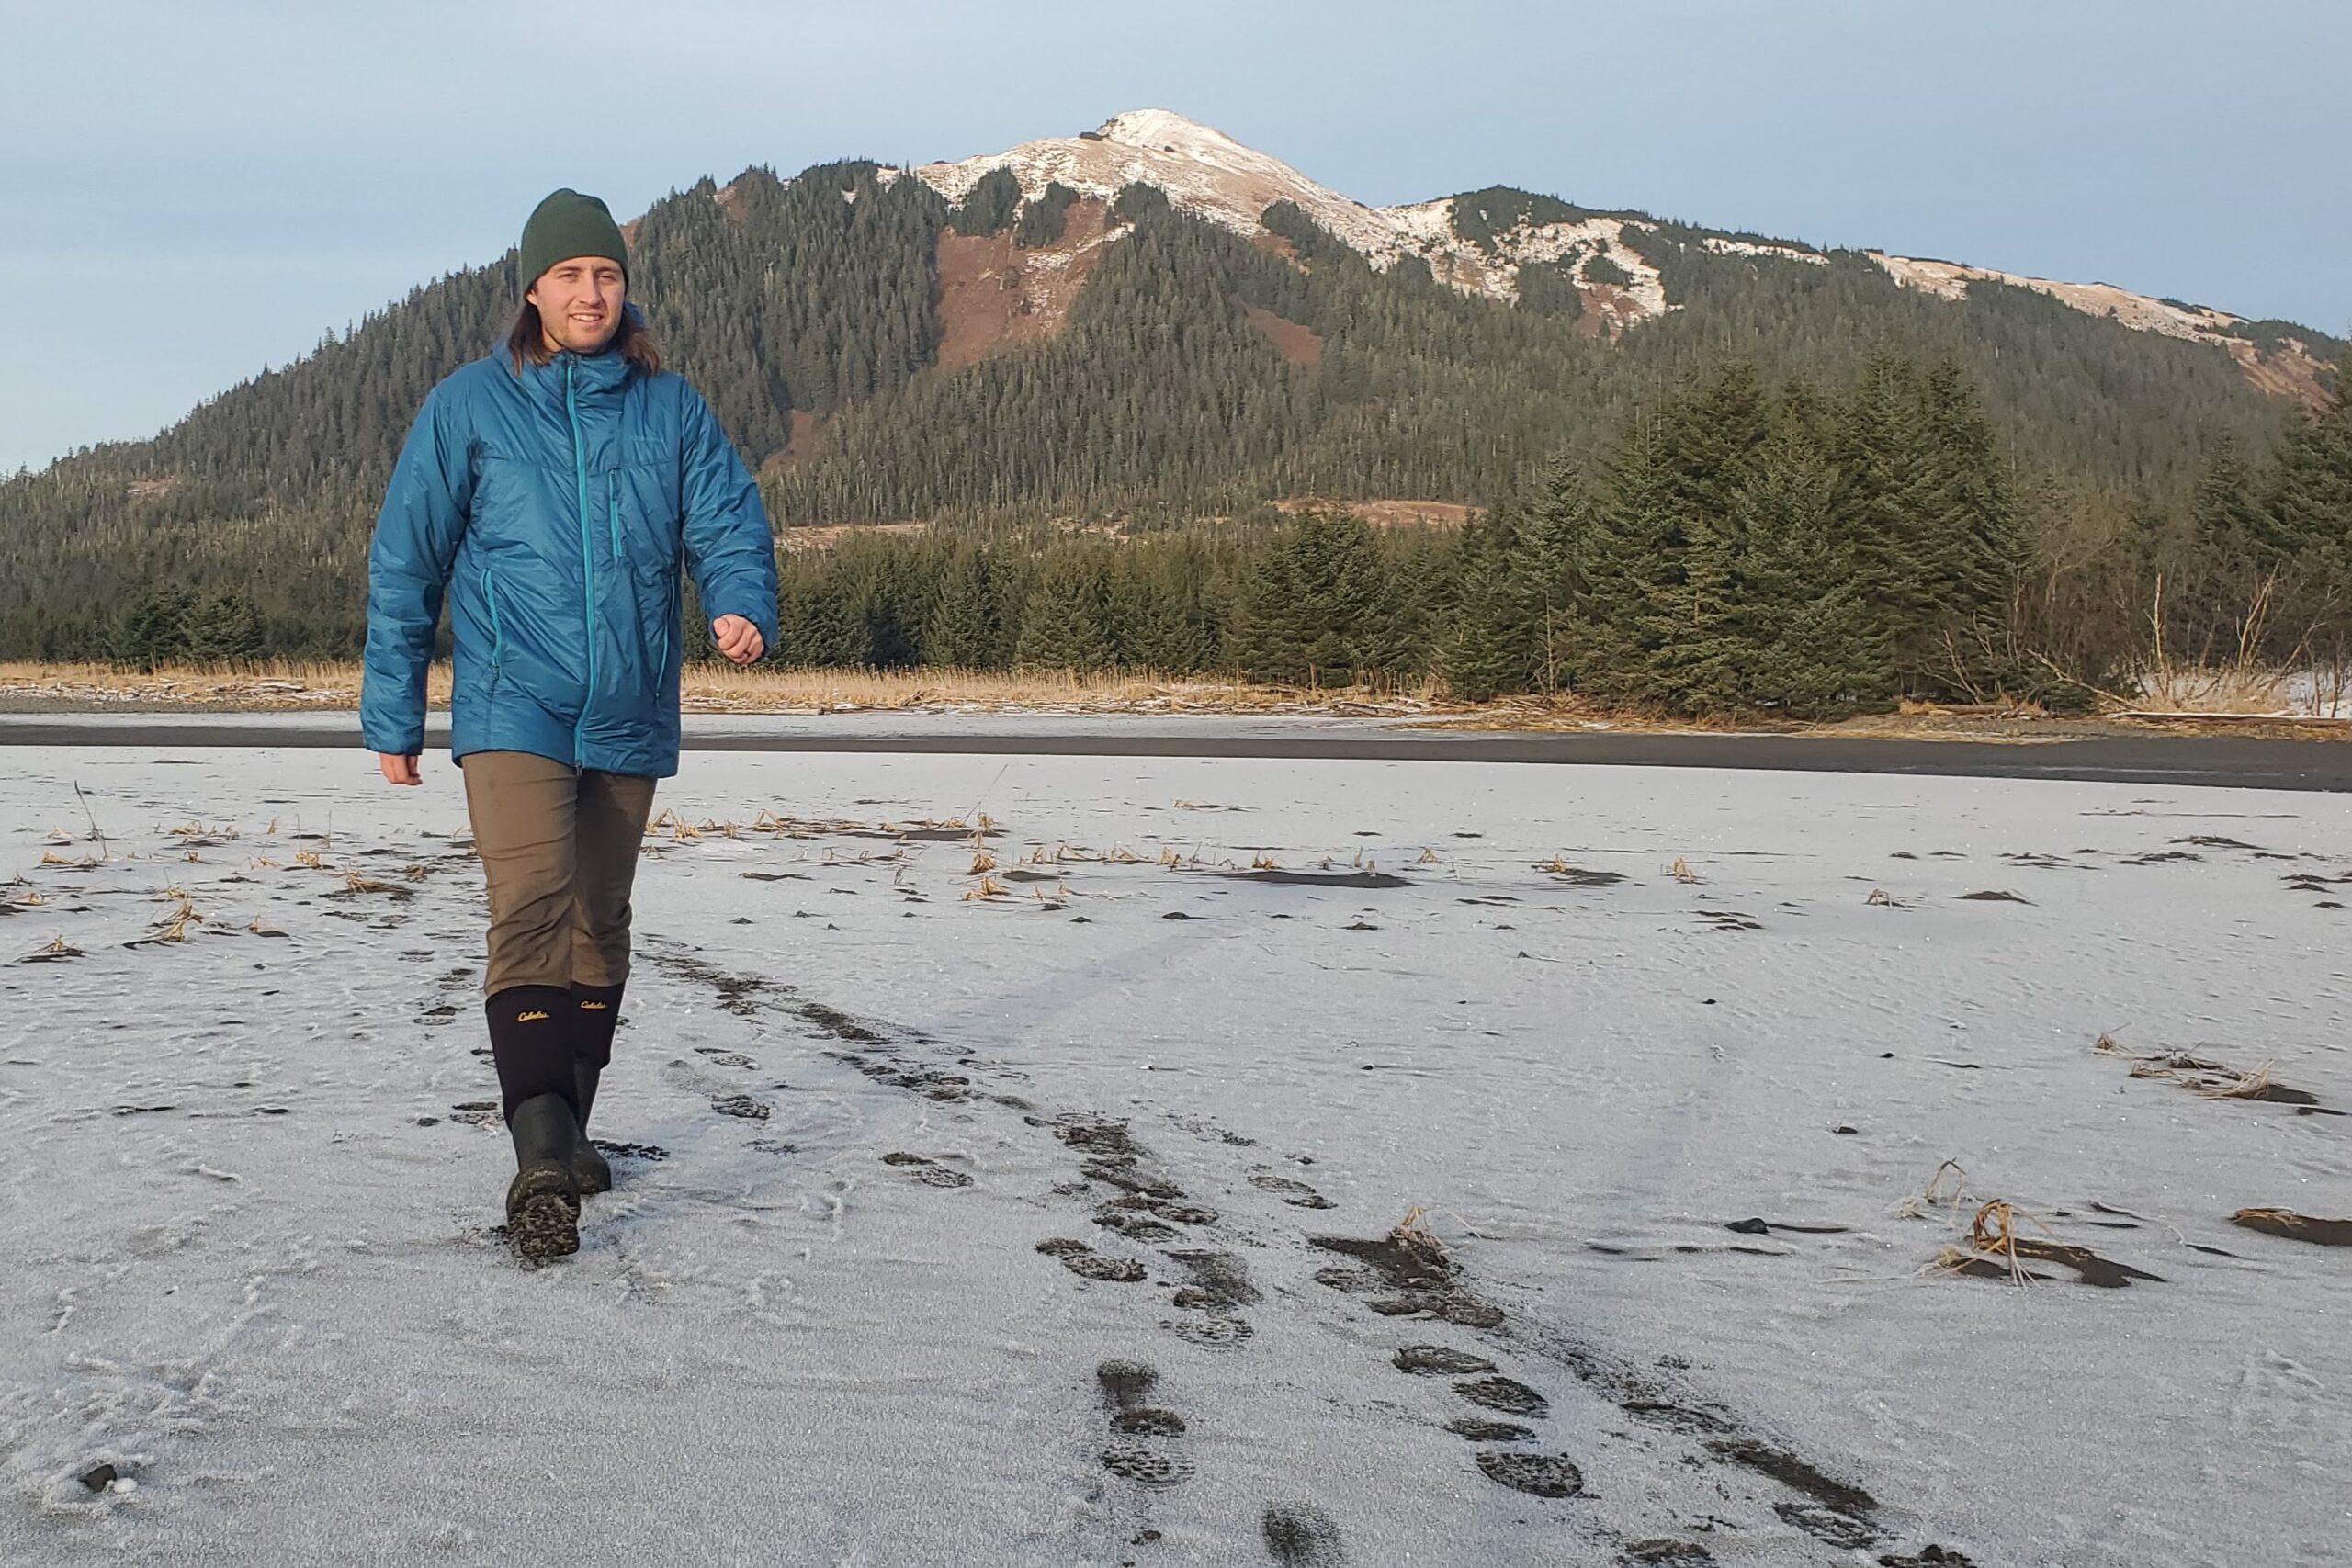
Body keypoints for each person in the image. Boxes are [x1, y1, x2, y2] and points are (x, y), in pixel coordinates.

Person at [359, 189, 779, 1259]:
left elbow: (728, 514)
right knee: (533, 904)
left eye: (605, 275)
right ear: (532, 291)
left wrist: (739, 599)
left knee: (602, 917)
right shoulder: (470, 407)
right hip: (513, 702)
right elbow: (408, 558)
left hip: (631, 698)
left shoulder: (669, 406)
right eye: (568, 276)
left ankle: (572, 1125)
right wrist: (394, 708)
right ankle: (540, 1143)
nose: (590, 293)